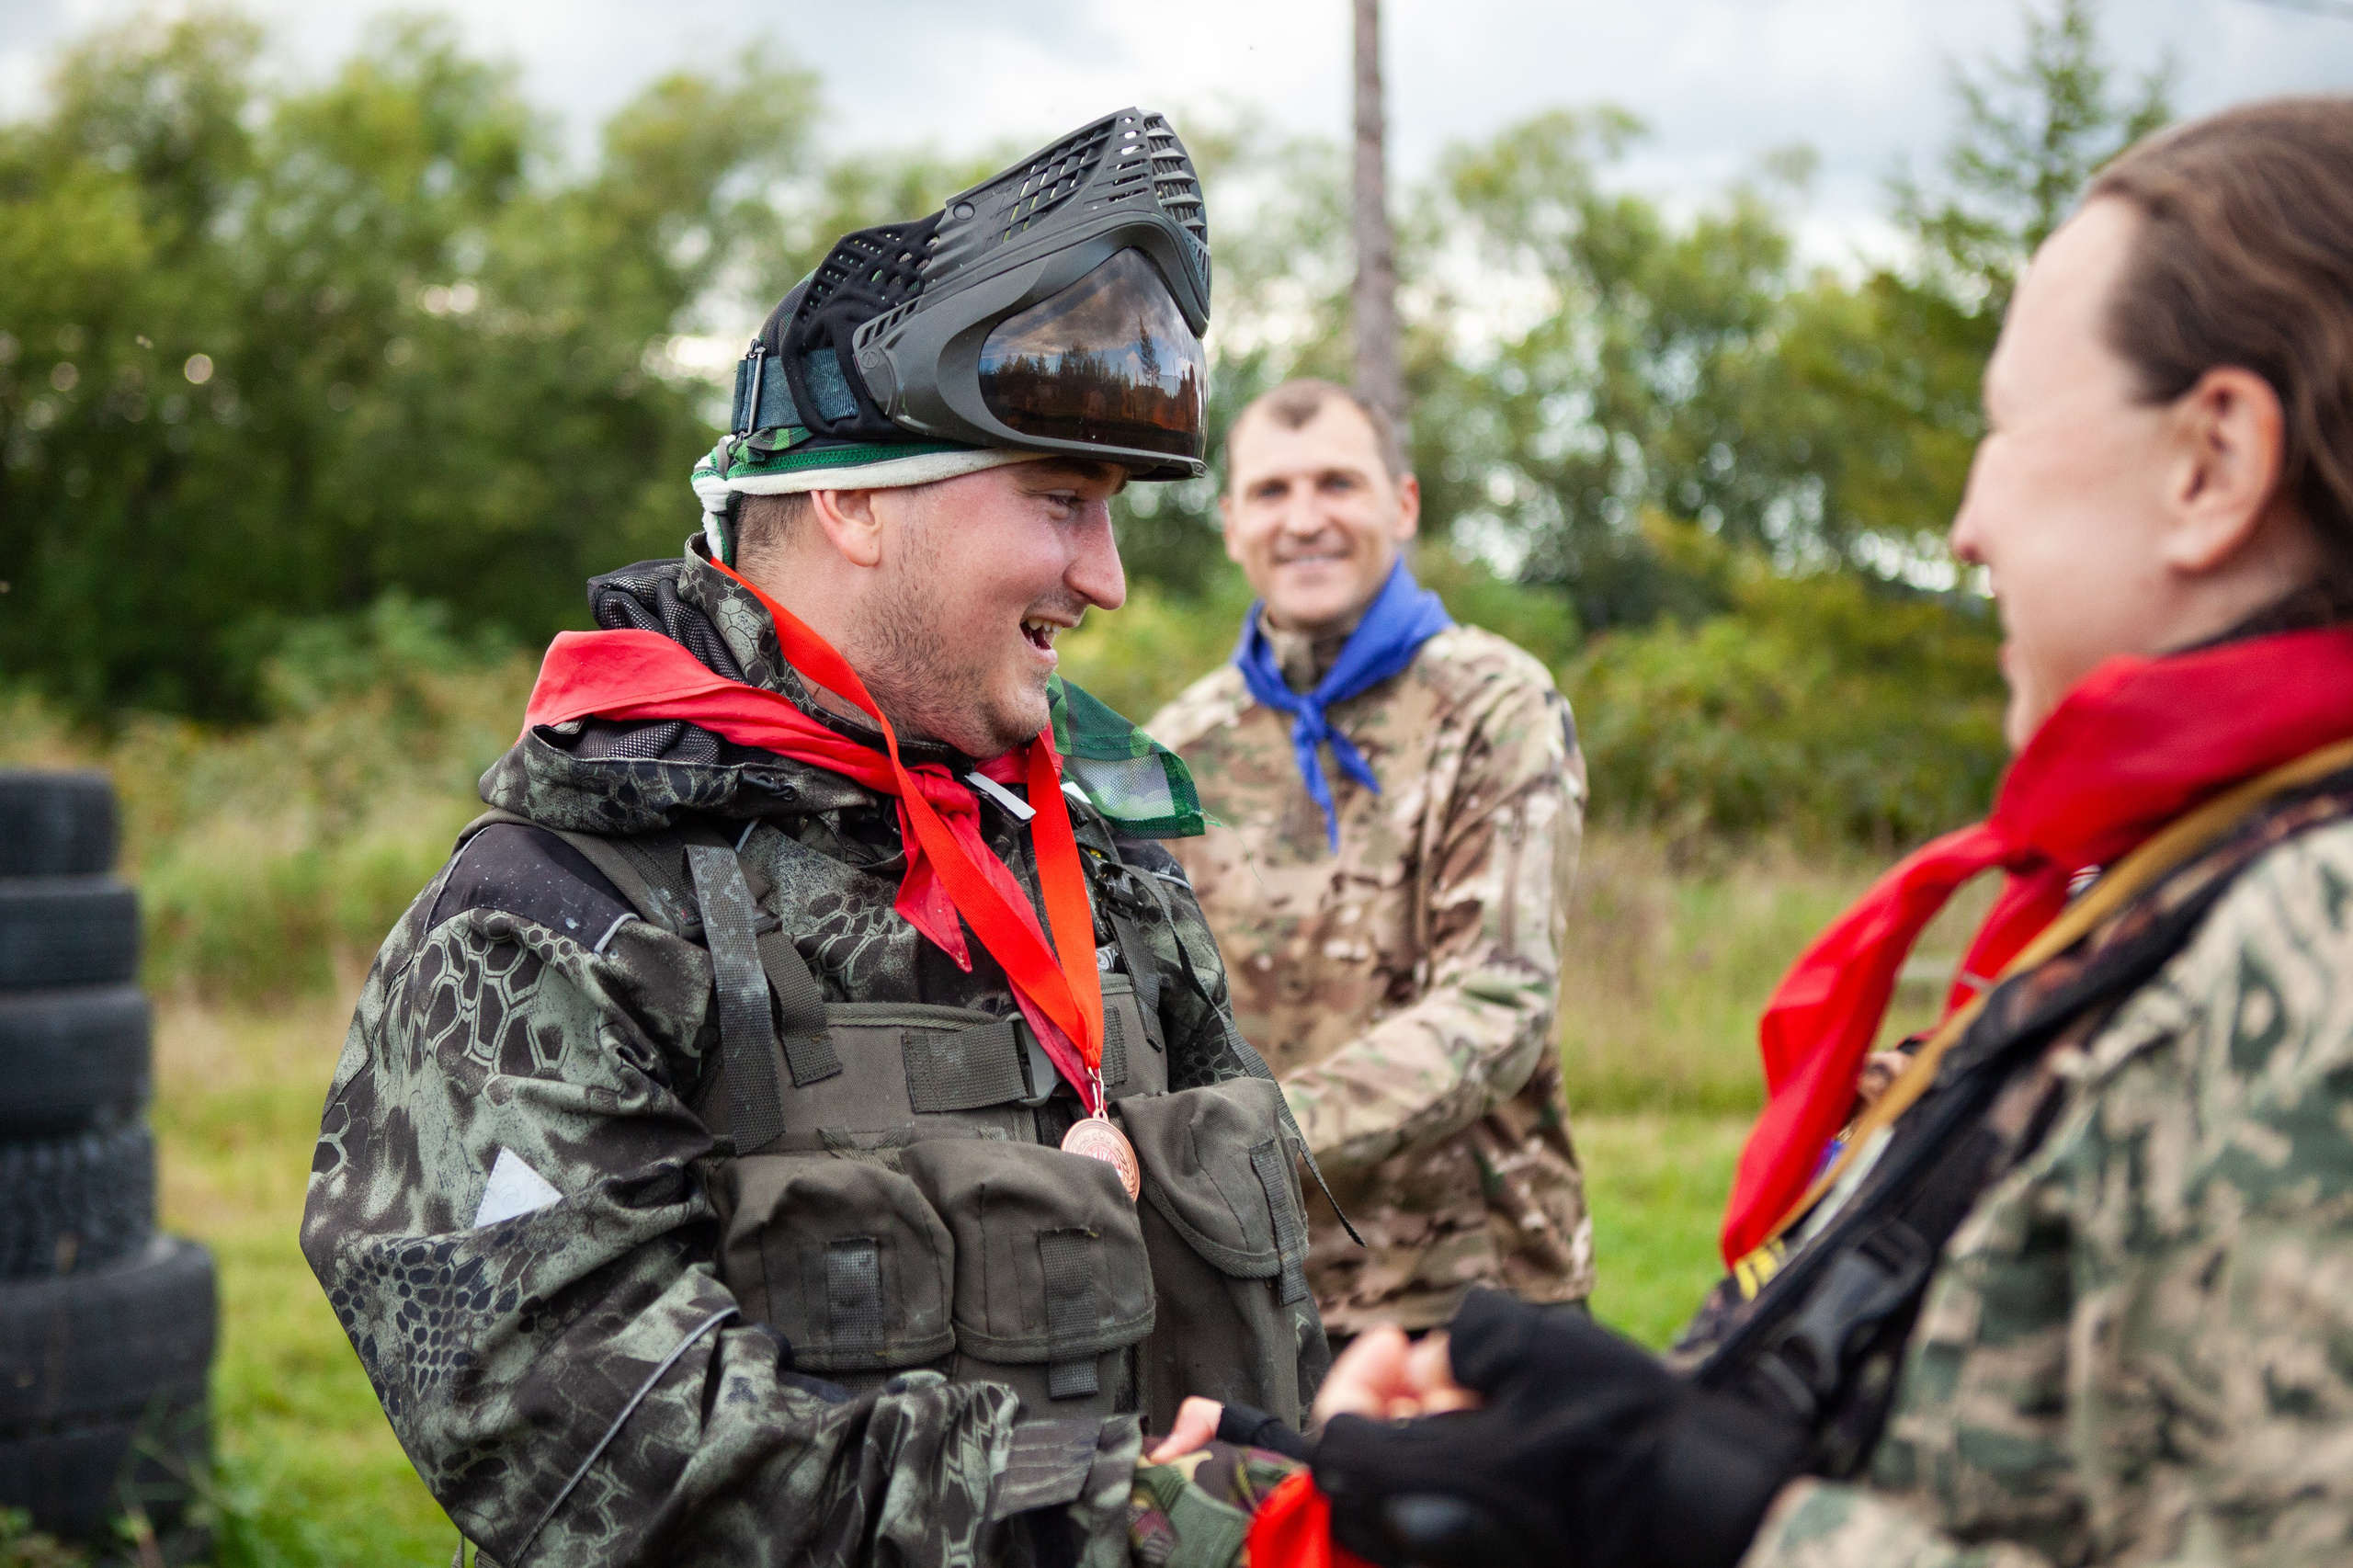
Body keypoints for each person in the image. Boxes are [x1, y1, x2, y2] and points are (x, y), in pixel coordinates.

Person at [1249, 97, 2353, 1568]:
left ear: (2211, 461)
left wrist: (1700, 1507)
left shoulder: (2316, 935)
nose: (1966, 523)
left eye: (2010, 429)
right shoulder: (2184, 880)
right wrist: (1658, 1434)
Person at [301, 109, 1324, 1568]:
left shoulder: (1105, 871)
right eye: (1060, 502)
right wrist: (1151, 1527)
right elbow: (604, 1454)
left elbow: (1267, 1335)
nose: (1103, 578)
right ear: (850, 498)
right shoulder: (556, 918)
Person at [1146, 380, 1591, 1348]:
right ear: (1231, 524)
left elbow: (1499, 1003)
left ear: (1403, 503)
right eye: (1271, 491)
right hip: (1257, 1289)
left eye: (1337, 484)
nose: (1304, 519)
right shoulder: (1178, 749)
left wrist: (1254, 1138)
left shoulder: (1494, 708)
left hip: (1468, 1292)